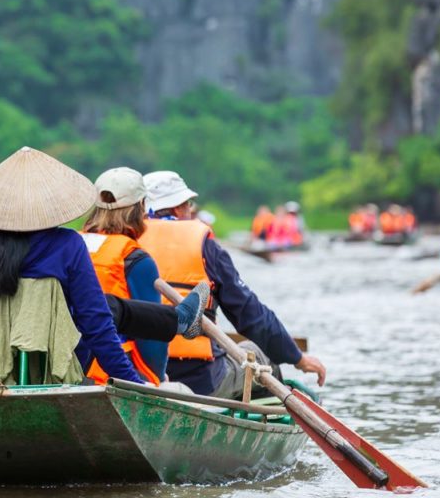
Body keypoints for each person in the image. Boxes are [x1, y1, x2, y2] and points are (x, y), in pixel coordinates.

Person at [0, 148, 205, 387]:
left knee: (108, 306)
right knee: (106, 308)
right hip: (61, 369)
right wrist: (130, 382)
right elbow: (95, 323)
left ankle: (179, 319)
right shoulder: (67, 244)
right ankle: (179, 319)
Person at [138, 170, 327, 399]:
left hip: (136, 375)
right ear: (178, 208)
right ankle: (259, 417)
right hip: (201, 381)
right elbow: (251, 315)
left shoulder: (128, 242)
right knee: (259, 355)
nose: (191, 210)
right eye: (189, 204)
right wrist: (298, 358)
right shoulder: (204, 245)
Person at [79, 167, 208, 385]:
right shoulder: (135, 259)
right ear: (140, 207)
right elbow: (151, 338)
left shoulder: (74, 245)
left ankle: (181, 320)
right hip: (110, 371)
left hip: (72, 362)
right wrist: (156, 377)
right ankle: (181, 321)